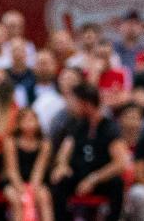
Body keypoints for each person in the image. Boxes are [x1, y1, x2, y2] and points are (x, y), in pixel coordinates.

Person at [49, 83, 129, 221]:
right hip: (79, 175)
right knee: (59, 181)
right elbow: (64, 151)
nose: (71, 105)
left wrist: (94, 179)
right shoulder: (76, 124)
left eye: (75, 102)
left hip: (101, 178)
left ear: (86, 104)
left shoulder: (109, 128)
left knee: (117, 183)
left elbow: (121, 163)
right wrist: (62, 166)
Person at [3, 107, 53, 221]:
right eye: (26, 120)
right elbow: (12, 171)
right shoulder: (11, 142)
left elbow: (39, 170)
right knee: (17, 200)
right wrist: (22, 191)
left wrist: (31, 191)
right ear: (19, 123)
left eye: (32, 119)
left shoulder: (44, 144)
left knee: (44, 196)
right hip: (14, 182)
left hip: (36, 182)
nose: (30, 123)